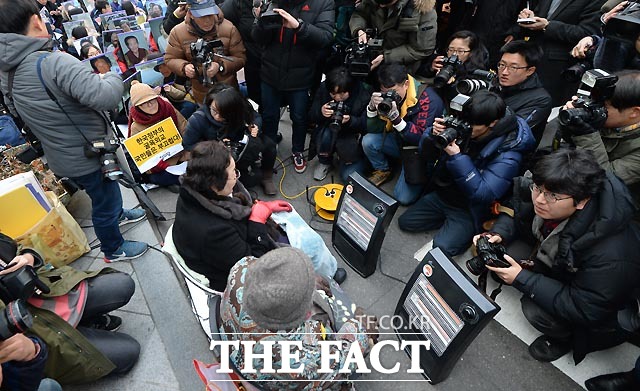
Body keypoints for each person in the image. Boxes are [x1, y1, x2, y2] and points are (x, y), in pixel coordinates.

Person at [0, 0, 148, 262]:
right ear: (36, 21)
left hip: (61, 154)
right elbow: (105, 97)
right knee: (105, 199)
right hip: (88, 152)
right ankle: (113, 248)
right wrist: (110, 75)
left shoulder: (7, 72)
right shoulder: (54, 61)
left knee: (100, 194)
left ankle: (117, 214)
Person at [479, 148, 640, 364]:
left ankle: (565, 338)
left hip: (596, 306)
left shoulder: (610, 255)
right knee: (504, 256)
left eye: (552, 196)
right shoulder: (554, 186)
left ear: (582, 201)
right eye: (538, 188)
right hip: (561, 262)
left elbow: (586, 309)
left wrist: (522, 279)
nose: (540, 200)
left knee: (535, 309)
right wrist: (499, 233)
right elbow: (518, 205)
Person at [173, 141, 346, 291]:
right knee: (311, 245)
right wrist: (257, 220)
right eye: (233, 172)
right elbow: (252, 265)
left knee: (288, 212)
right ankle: (327, 276)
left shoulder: (195, 188)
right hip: (240, 275)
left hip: (238, 238)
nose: (236, 175)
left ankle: (326, 268)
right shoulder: (212, 232)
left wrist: (262, 206)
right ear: (214, 184)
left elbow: (236, 202)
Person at [397, 90, 535, 256]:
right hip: (444, 195)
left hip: (468, 208)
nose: (466, 128)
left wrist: (457, 157)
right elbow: (426, 154)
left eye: (473, 126)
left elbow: (484, 193)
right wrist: (431, 135)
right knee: (406, 222)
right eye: (464, 121)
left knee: (441, 248)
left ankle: (461, 231)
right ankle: (449, 224)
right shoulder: (464, 122)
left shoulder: (509, 152)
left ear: (493, 123)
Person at [218, 247, 376, 390]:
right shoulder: (303, 359)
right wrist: (361, 328)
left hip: (233, 345)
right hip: (270, 379)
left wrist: (304, 282)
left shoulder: (241, 268)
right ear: (307, 314)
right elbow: (344, 357)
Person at [0, 232, 141, 385]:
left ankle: (85, 322)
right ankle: (80, 334)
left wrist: (29, 257)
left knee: (123, 284)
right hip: (41, 333)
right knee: (129, 352)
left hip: (50, 294)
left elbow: (21, 244)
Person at [251, 0, 334, 173]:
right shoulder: (272, 2)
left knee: (299, 117)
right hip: (270, 74)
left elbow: (326, 37)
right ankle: (268, 150)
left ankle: (297, 150)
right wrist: (261, 22)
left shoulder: (323, 3)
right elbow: (257, 38)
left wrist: (299, 27)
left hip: (301, 77)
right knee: (269, 115)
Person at [361, 62, 444, 205]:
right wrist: (371, 108)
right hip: (399, 140)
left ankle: (420, 173)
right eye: (385, 91)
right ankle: (383, 169)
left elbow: (422, 139)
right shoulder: (385, 95)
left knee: (402, 197)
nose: (389, 96)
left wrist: (396, 120)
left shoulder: (429, 100)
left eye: (393, 91)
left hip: (420, 150)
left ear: (406, 84)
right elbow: (374, 130)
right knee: (368, 141)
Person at [559, 70, 640, 212]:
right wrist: (569, 123)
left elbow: (604, 180)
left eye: (604, 107)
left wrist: (586, 134)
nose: (593, 109)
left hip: (617, 213)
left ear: (635, 112)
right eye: (594, 102)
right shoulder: (606, 122)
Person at [182, 84, 278, 194]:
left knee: (270, 145)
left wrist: (255, 126)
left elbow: (256, 117)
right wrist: (213, 147)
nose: (217, 116)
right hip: (218, 155)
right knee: (250, 181)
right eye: (214, 110)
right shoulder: (197, 120)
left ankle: (267, 177)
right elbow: (188, 144)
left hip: (242, 143)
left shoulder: (241, 107)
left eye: (223, 114)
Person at [508, 0, 606, 106]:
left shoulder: (595, 2)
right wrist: (529, 18)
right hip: (531, 59)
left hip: (558, 67)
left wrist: (548, 26)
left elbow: (587, 33)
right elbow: (541, 16)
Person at [164, 0, 246, 105]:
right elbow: (170, 58)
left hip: (229, 93)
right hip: (202, 96)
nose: (207, 21)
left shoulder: (229, 28)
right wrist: (184, 67)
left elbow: (240, 57)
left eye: (210, 15)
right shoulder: (178, 33)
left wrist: (220, 66)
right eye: (201, 16)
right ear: (191, 14)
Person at [308, 66, 372, 181]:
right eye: (333, 94)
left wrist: (351, 120)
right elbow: (311, 116)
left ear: (350, 90)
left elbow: (367, 125)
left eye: (342, 94)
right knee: (325, 135)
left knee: (346, 176)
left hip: (351, 134)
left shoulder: (363, 94)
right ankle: (324, 161)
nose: (337, 98)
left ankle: (350, 160)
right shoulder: (324, 88)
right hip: (329, 128)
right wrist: (320, 112)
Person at [349, 0, 437, 75]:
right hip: (371, 55)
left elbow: (422, 49)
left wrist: (385, 57)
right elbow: (359, 14)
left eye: (386, 3)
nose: (381, 6)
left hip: (402, 68)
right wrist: (359, 30)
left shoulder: (424, 10)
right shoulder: (373, 2)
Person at [128, 81, 187, 188]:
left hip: (181, 154)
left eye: (152, 100)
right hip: (161, 165)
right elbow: (143, 158)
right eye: (143, 103)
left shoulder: (168, 108)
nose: (150, 105)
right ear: (137, 107)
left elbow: (184, 128)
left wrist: (187, 150)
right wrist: (159, 165)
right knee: (159, 177)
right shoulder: (136, 127)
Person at [493, 40, 553, 144]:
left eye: (513, 67)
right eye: (502, 65)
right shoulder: (492, 86)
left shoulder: (541, 100)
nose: (504, 72)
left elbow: (511, 133)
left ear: (530, 70)